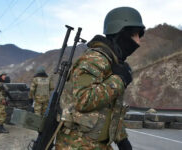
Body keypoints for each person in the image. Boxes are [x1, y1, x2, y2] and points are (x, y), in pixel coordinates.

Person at [56, 7, 145, 150]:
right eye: (135, 35)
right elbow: (82, 100)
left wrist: (121, 139)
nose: (138, 42)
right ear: (121, 33)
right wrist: (118, 80)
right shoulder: (95, 59)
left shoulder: (112, 62)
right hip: (76, 144)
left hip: (97, 143)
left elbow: (110, 109)